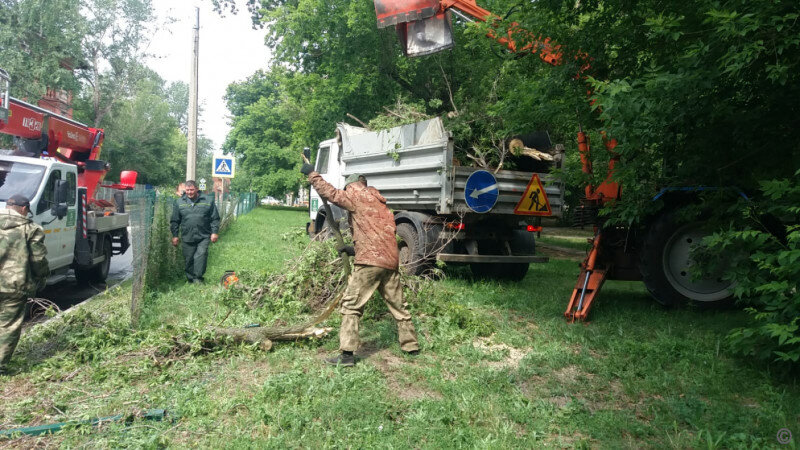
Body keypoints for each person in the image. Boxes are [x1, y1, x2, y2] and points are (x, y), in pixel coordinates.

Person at [301, 162, 420, 367]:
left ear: (352, 185)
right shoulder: (380, 203)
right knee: (399, 306)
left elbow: (331, 193)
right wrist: (353, 250)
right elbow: (379, 236)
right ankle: (411, 346)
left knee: (351, 305)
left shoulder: (355, 195)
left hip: (369, 264)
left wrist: (312, 174)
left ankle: (347, 355)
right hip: (389, 261)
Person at [0, 194, 49, 375]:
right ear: (23, 208)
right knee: (8, 326)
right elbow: (38, 259)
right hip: (14, 285)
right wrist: (42, 276)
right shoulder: (31, 229)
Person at [170, 180, 220, 284]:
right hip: (187, 236)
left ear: (197, 189)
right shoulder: (179, 202)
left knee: (201, 256)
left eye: (191, 189)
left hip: (204, 235)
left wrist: (214, 232)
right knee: (189, 259)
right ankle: (190, 279)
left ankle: (198, 279)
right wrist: (175, 235)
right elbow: (175, 220)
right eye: (187, 190)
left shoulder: (207, 200)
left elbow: (215, 218)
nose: (189, 192)